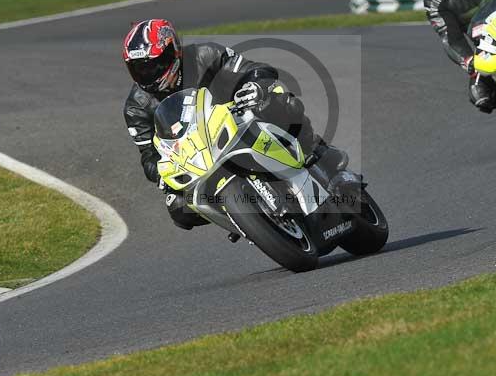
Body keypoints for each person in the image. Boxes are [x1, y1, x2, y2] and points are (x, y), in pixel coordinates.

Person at [122, 19, 350, 230]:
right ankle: (246, 220)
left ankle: (317, 152)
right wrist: (161, 173)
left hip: (239, 118)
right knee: (178, 207)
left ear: (173, 51)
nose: (148, 75)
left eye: (153, 65)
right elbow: (148, 156)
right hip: (197, 155)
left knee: (279, 99)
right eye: (139, 69)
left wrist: (254, 85)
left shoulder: (204, 54)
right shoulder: (136, 107)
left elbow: (252, 69)